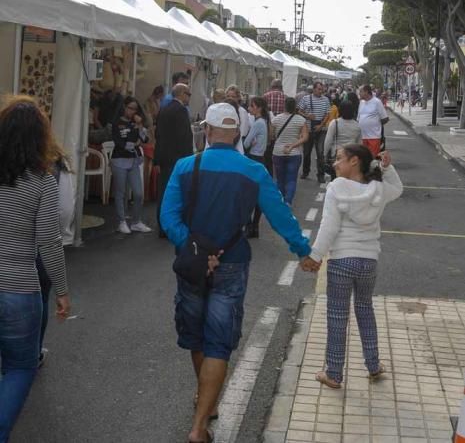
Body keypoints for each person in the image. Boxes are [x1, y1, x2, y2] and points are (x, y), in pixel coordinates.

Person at [160, 103, 314, 443]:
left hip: (192, 266)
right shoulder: (253, 170)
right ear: (237, 133)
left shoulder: (185, 166)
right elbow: (279, 215)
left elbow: (168, 218)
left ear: (208, 131)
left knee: (197, 335)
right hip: (233, 262)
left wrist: (198, 251)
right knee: (219, 341)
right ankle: (200, 425)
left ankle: (205, 399)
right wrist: (303, 250)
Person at [0, 96, 70, 441]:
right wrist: (61, 289)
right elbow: (49, 242)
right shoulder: (43, 182)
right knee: (18, 368)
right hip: (18, 288)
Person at [304, 144, 402, 388]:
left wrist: (315, 256)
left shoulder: (337, 188)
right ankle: (373, 365)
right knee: (365, 310)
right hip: (369, 260)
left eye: (339, 159)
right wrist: (387, 169)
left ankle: (334, 374)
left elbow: (329, 226)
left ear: (355, 161)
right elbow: (398, 189)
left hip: (342, 260)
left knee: (337, 317)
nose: (335, 164)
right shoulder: (378, 189)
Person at [37, 138, 75, 366]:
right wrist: (62, 291)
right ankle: (33, 351)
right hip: (36, 253)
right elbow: (64, 211)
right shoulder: (54, 165)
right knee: (39, 298)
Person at [155, 83, 193, 237]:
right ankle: (172, 226)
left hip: (165, 158)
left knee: (164, 192)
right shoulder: (181, 111)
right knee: (177, 193)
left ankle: (162, 226)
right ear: (181, 94)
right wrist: (189, 159)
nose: (190, 97)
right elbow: (185, 137)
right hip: (178, 159)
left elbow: (159, 136)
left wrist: (157, 160)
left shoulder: (164, 109)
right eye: (188, 94)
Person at [111, 96, 152, 234]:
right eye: (130, 108)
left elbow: (145, 139)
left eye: (135, 109)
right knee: (121, 192)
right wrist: (133, 144)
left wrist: (140, 126)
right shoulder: (117, 122)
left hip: (134, 160)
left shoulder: (136, 123)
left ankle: (136, 221)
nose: (132, 111)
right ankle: (121, 221)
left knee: (139, 193)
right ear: (124, 107)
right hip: (119, 160)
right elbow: (119, 142)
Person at [271, 97, 308, 205]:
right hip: (294, 153)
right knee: (291, 179)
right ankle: (288, 200)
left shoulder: (276, 119)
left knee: (279, 178)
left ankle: (281, 199)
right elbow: (305, 137)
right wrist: (292, 145)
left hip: (278, 152)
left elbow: (271, 136)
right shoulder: (301, 120)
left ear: (284, 106)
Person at [243, 96, 271, 237]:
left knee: (247, 195)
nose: (249, 109)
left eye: (251, 106)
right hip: (261, 159)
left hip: (253, 158)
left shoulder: (257, 123)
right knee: (258, 195)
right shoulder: (264, 121)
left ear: (258, 108)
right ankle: (255, 226)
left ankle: (249, 226)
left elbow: (246, 143)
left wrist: (251, 141)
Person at [298, 80, 331, 183]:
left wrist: (321, 125)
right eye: (319, 89)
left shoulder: (325, 100)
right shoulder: (306, 99)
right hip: (308, 129)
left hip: (320, 130)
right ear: (314, 89)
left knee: (320, 152)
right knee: (306, 152)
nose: (321, 91)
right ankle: (305, 171)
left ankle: (320, 174)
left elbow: (327, 114)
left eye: (322, 89)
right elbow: (299, 110)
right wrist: (307, 116)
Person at [323, 101, 362, 180]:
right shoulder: (357, 125)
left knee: (336, 179)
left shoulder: (335, 123)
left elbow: (328, 141)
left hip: (337, 155)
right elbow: (360, 143)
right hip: (352, 155)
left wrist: (324, 154)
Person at [357, 84, 389, 157]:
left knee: (373, 158)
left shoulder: (377, 102)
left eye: (361, 91)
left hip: (374, 136)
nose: (359, 93)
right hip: (363, 136)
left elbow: (385, 118)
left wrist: (376, 125)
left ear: (366, 92)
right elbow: (359, 118)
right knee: (365, 159)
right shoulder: (361, 103)